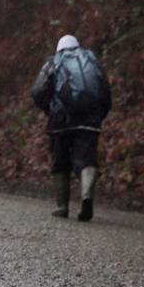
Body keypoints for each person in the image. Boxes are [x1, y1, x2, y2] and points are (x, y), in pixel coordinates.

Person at [32, 35, 111, 221]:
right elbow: (105, 91)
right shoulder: (92, 61)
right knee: (87, 159)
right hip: (89, 119)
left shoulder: (54, 62)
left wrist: (50, 109)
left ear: (59, 48)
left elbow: (38, 91)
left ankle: (62, 206)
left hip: (60, 120)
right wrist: (99, 115)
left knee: (60, 161)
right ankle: (86, 197)